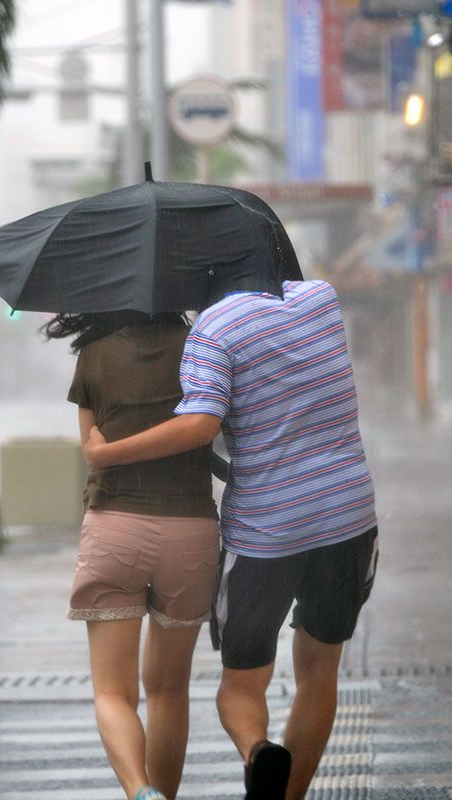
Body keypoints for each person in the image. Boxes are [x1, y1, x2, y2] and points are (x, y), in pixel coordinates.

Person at [83, 279, 379, 800]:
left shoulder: (214, 328)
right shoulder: (324, 298)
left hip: (267, 527)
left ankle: (256, 750)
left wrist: (109, 454)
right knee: (319, 673)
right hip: (347, 515)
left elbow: (200, 423)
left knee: (241, 685)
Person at [44, 310, 220, 800]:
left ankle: (140, 792)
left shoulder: (95, 349)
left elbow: (91, 445)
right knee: (169, 690)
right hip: (190, 532)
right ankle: (164, 792)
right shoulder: (202, 344)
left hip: (115, 528)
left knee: (113, 693)